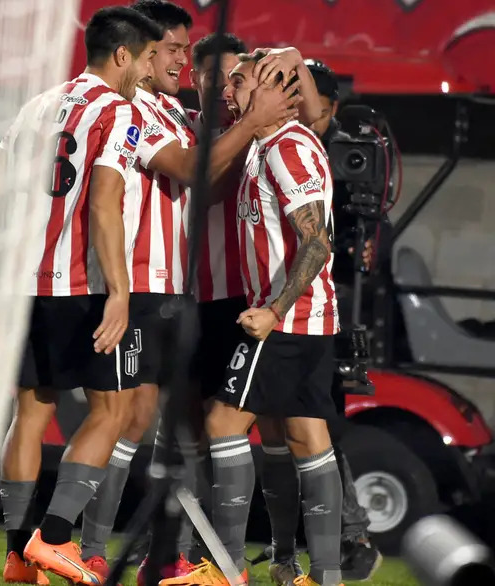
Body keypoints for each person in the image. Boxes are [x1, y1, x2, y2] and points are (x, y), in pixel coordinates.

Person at [74, 5, 303, 583]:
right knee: (132, 418)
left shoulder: (183, 114)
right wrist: (250, 124)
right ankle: (90, 547)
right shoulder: (138, 112)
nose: (181, 59)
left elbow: (211, 186)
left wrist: (258, 113)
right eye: (176, 49)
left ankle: (185, 556)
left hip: (201, 296)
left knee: (182, 426)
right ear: (146, 53)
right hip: (152, 289)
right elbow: (188, 172)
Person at [0, 7, 162, 586]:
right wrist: (120, 291)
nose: (146, 72)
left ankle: (18, 556)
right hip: (83, 287)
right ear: (123, 56)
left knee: (30, 415)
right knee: (111, 411)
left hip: (26, 284)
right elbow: (103, 202)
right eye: (145, 59)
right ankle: (57, 539)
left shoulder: (40, 105)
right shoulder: (121, 112)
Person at [202, 51, 343, 586]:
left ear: (269, 89)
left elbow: (317, 241)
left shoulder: (287, 148)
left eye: (239, 80)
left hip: (288, 318)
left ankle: (227, 568)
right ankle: (324, 577)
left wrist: (273, 310)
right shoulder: (272, 142)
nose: (229, 88)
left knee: (222, 422)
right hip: (308, 318)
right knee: (308, 438)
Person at [306, 58, 383, 582]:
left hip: (327, 311)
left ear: (330, 106)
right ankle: (343, 538)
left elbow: (361, 246)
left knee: (319, 427)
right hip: (283, 304)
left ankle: (350, 538)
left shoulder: (351, 156)